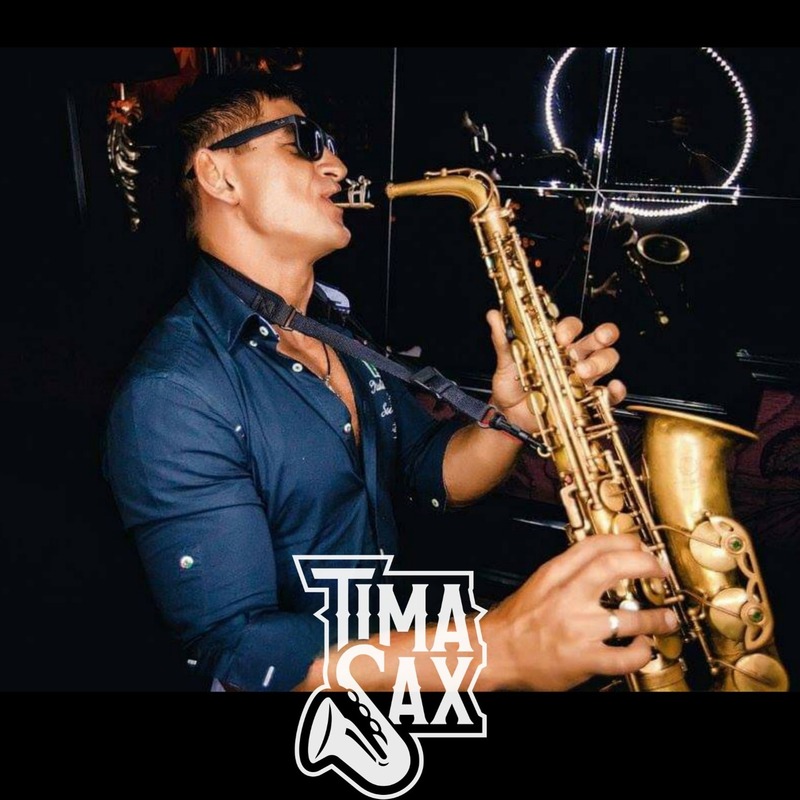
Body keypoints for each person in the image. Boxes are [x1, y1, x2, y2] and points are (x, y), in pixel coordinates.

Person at [103, 69, 678, 694]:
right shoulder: (172, 394)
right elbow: (241, 651)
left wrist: (514, 418)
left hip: (400, 666)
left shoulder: (334, 327)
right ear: (219, 176)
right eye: (304, 142)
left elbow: (430, 472)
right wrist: (499, 648)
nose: (336, 166)